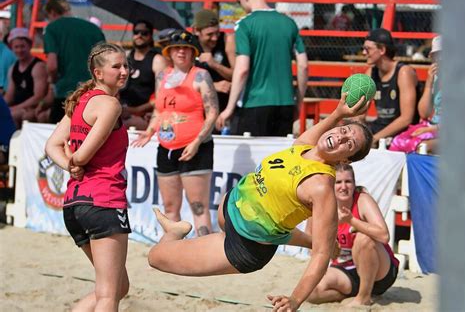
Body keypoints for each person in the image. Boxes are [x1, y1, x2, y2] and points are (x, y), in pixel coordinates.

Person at [147, 93, 373, 312]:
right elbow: (315, 135)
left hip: (245, 247)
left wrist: (294, 300)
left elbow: (322, 256)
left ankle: (174, 233)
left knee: (156, 257)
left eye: (349, 144)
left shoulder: (321, 187)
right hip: (232, 208)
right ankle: (309, 240)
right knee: (274, 221)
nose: (342, 137)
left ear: (345, 160)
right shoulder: (303, 148)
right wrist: (338, 113)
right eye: (344, 130)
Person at [45, 42, 131, 311]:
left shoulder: (81, 101)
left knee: (119, 286)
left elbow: (52, 146)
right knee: (108, 293)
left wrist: (69, 166)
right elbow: (82, 156)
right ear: (98, 72)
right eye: (116, 66)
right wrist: (75, 162)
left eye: (126, 65)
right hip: (103, 200)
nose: (124, 71)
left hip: (74, 205)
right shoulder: (109, 104)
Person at [132, 30, 219, 237]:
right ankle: (172, 250)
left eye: (186, 48)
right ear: (169, 52)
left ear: (193, 52)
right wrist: (150, 130)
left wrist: (197, 142)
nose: (181, 51)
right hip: (167, 146)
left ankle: (203, 252)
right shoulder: (163, 76)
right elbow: (160, 110)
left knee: (198, 206)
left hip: (195, 147)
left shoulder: (200, 75)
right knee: (170, 207)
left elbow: (213, 111)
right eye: (177, 48)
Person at [306, 163, 399, 307]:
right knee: (311, 292)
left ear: (354, 184)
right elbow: (311, 246)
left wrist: (352, 221)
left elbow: (384, 236)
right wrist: (328, 249)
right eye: (338, 182)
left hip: (380, 272)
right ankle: (350, 294)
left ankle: (364, 297)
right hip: (346, 268)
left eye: (348, 181)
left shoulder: (362, 200)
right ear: (331, 185)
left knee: (363, 239)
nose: (343, 187)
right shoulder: (320, 206)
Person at [216, 0, 308, 137]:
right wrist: (298, 102)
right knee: (279, 156)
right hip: (285, 104)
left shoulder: (244, 24)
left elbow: (242, 70)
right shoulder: (289, 23)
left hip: (253, 103)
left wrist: (229, 108)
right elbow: (303, 65)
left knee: (253, 157)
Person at [42, 0, 105, 123]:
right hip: (94, 92)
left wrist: (52, 82)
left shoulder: (52, 28)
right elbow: (105, 61)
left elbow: (52, 66)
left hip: (65, 91)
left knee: (58, 136)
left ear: (52, 12)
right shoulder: (94, 29)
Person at [360, 28, 419, 147]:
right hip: (380, 127)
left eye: (368, 49)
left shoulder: (403, 72)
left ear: (382, 49)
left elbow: (406, 119)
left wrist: (375, 138)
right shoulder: (370, 72)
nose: (363, 53)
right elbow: (360, 112)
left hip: (404, 131)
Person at [389, 36, 442, 154]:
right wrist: (429, 83)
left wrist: (430, 129)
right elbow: (424, 113)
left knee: (421, 146)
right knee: (397, 142)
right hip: (432, 125)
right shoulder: (436, 79)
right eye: (436, 56)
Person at [120, 20, 168, 130]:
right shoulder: (126, 57)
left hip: (144, 114)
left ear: (151, 36)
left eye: (144, 33)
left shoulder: (157, 60)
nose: (139, 36)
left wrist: (135, 110)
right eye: (136, 32)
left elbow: (162, 95)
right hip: (121, 110)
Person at [193, 9, 235, 115]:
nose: (215, 38)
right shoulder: (190, 46)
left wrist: (215, 64)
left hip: (224, 107)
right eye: (209, 34)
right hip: (198, 108)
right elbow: (182, 80)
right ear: (196, 31)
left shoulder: (226, 40)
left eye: (217, 32)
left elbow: (236, 75)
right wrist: (213, 86)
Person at [3, 28, 48, 128]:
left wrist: (13, 108)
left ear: (30, 46)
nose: (19, 50)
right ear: (12, 48)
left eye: (22, 46)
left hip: (33, 108)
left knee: (12, 115)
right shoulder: (13, 68)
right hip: (18, 107)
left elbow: (38, 96)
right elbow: (9, 96)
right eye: (16, 47)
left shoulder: (38, 66)